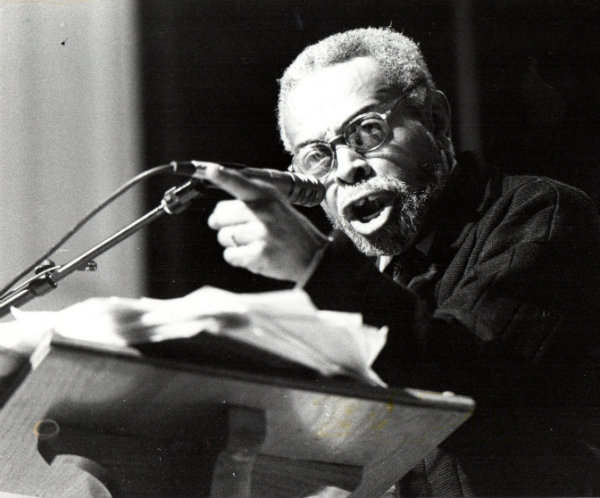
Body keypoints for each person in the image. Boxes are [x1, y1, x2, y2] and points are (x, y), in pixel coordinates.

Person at [204, 27, 600, 497]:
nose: (348, 168)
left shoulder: (540, 213)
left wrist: (316, 265)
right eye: (318, 156)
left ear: (435, 118)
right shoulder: (358, 275)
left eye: (368, 131)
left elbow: (466, 389)